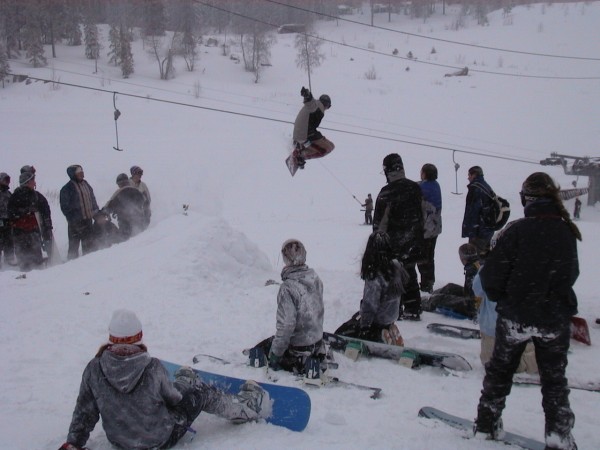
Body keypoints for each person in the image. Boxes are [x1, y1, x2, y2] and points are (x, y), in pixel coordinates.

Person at [58, 309, 270, 450]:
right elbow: (175, 399)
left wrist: (73, 443)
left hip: (120, 441)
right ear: (139, 336)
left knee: (180, 391)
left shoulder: (94, 368)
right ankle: (246, 408)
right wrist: (186, 387)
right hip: (159, 440)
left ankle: (187, 380)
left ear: (111, 338)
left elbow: (84, 412)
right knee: (202, 395)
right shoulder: (152, 367)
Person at [474, 172, 581, 450]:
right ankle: (558, 435)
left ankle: (486, 425)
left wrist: (506, 299)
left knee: (499, 373)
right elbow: (571, 273)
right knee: (554, 381)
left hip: (515, 317)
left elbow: (490, 278)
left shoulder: (516, 230)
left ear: (527, 199)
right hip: (553, 319)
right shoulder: (566, 231)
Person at [250, 239, 325, 374]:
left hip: (298, 351)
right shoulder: (315, 278)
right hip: (318, 345)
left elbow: (287, 325)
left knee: (261, 350)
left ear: (285, 259)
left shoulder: (287, 288)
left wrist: (276, 354)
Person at [373, 153, 424, 319]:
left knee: (393, 275)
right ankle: (414, 307)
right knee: (410, 271)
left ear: (387, 170)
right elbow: (424, 214)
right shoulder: (415, 188)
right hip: (414, 241)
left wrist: (377, 244)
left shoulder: (387, 192)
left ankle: (396, 309)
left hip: (393, 243)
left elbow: (380, 224)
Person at [334, 232, 406, 345]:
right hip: (391, 315)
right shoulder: (396, 268)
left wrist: (365, 327)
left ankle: (378, 335)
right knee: (356, 317)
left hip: (378, 320)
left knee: (341, 334)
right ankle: (388, 329)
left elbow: (370, 303)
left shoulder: (375, 275)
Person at [474, 270, 538, 374]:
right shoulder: (529, 262)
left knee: (493, 362)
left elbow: (477, 289)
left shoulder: (491, 264)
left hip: (493, 328)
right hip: (522, 326)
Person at [421, 243, 480, 320]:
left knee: (440, 299)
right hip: (473, 299)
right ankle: (432, 296)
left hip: (473, 306)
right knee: (450, 287)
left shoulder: (472, 271)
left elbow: (475, 292)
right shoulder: (476, 264)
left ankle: (428, 301)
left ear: (463, 258)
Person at [59, 165, 99, 259]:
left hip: (88, 221)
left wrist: (96, 212)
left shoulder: (86, 184)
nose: (82, 173)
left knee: (89, 246)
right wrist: (73, 218)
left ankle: (88, 264)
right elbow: (64, 207)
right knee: (73, 248)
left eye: (82, 171)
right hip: (75, 223)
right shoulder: (67, 188)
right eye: (78, 172)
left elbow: (92, 199)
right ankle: (71, 267)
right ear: (73, 174)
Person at [6, 171, 44, 271]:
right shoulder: (16, 196)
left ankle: (42, 280)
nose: (35, 183)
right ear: (27, 182)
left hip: (34, 232)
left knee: (37, 261)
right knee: (24, 261)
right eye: (33, 180)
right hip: (21, 234)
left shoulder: (35, 195)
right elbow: (11, 213)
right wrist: (25, 211)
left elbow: (43, 209)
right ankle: (26, 282)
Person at [292, 86, 335, 169]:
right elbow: (312, 106)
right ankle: (300, 156)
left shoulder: (316, 105)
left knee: (331, 145)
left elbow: (311, 105)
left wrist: (309, 98)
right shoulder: (319, 106)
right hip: (305, 134)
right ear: (327, 105)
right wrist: (308, 96)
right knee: (326, 149)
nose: (327, 109)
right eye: (328, 106)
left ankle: (300, 146)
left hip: (303, 133)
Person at [417, 163, 442, 293]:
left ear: (425, 173)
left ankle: (425, 284)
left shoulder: (422, 187)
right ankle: (429, 282)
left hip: (425, 228)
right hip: (435, 227)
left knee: (422, 257)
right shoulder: (436, 185)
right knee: (430, 256)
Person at [20, 165, 54, 260]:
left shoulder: (37, 196)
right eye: (32, 175)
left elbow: (46, 209)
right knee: (31, 250)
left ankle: (48, 260)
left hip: (40, 226)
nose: (34, 179)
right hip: (28, 230)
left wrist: (47, 224)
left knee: (45, 246)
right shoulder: (20, 196)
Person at [461, 165, 496, 258]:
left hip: (479, 231)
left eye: (469, 175)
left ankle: (477, 272)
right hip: (488, 229)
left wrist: (471, 232)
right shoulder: (486, 186)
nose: (468, 177)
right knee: (485, 257)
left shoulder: (475, 188)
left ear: (474, 175)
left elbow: (473, 212)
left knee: (474, 259)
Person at [103, 173, 149, 239]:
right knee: (141, 238)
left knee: (126, 241)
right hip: (139, 219)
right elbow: (145, 203)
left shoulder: (118, 193)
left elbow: (108, 206)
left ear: (119, 184)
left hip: (125, 223)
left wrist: (103, 212)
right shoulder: (137, 191)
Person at [0, 172, 16, 267]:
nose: (7, 182)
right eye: (5, 180)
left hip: (8, 223)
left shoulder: (9, 194)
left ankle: (9, 265)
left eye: (8, 180)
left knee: (9, 243)